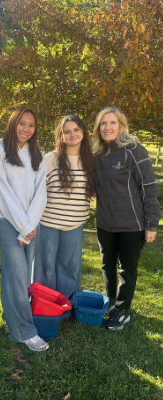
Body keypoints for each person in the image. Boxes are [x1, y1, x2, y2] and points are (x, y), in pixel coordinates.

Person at [92, 106, 158, 330]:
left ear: (121, 125)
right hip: (105, 224)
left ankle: (123, 310)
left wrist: (152, 223)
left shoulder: (134, 150)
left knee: (126, 269)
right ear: (98, 128)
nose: (107, 127)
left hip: (132, 224)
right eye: (103, 123)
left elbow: (149, 187)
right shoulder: (97, 155)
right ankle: (111, 302)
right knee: (106, 265)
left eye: (112, 123)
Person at [0, 106, 50, 351]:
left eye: (31, 125)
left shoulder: (38, 154)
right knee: (15, 274)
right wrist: (22, 225)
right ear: (13, 123)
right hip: (8, 222)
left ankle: (11, 319)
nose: (26, 129)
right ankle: (24, 331)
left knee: (23, 275)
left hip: (32, 224)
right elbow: (1, 192)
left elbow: (40, 192)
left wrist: (31, 224)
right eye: (22, 123)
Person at [35, 115, 96, 301]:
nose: (72, 134)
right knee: (45, 267)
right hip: (48, 223)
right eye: (67, 131)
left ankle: (65, 305)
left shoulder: (90, 160)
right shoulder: (50, 159)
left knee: (69, 268)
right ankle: (44, 305)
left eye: (76, 130)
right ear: (61, 136)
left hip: (75, 224)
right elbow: (37, 192)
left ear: (83, 132)